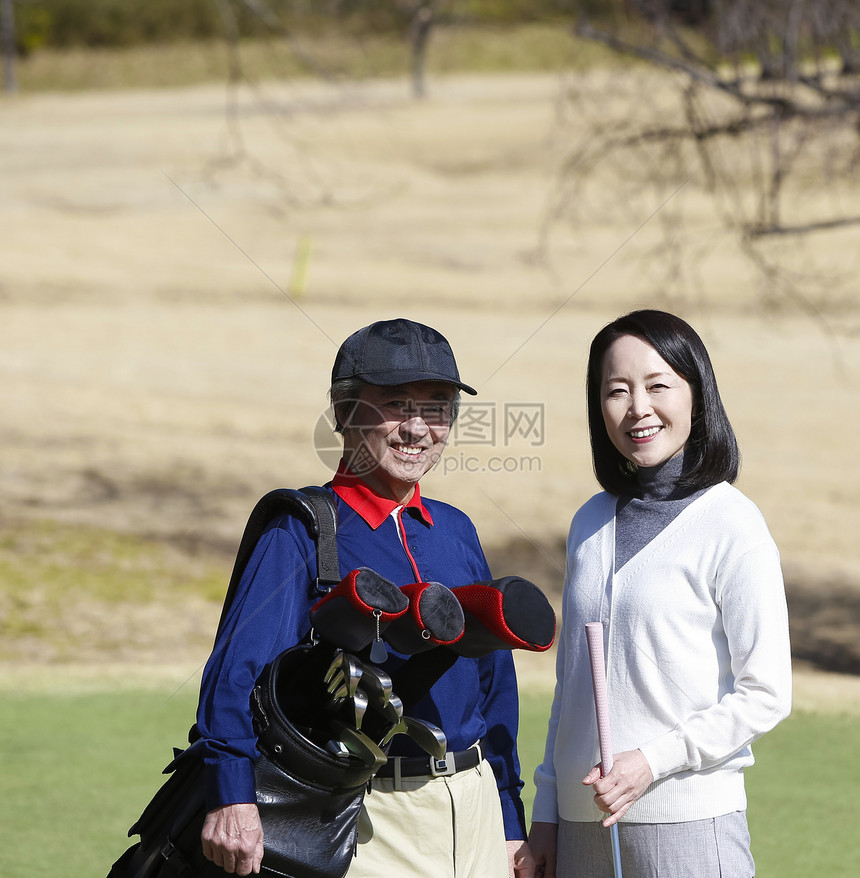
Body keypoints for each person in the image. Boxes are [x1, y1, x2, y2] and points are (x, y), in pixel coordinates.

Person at [195, 317, 536, 878]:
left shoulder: (455, 530)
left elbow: (491, 685)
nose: (418, 428)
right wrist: (230, 793)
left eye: (436, 407)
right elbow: (236, 671)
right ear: (344, 414)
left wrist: (507, 819)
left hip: (474, 811)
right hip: (365, 819)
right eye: (397, 405)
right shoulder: (302, 528)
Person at [529, 309, 791, 878]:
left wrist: (650, 763)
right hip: (579, 833)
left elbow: (766, 692)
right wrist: (546, 813)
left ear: (697, 395)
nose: (637, 408)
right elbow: (571, 685)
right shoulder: (588, 524)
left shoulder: (732, 524)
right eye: (616, 391)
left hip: (688, 824)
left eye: (657, 386)